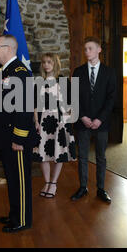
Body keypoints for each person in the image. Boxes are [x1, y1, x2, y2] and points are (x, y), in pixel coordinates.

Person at [0, 34, 36, 233]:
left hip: (16, 138)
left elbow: (24, 108)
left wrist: (19, 137)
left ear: (8, 49)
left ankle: (23, 219)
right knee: (11, 178)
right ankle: (14, 214)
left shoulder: (19, 72)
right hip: (7, 136)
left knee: (20, 180)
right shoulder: (7, 70)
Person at [71, 37, 116, 203]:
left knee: (100, 157)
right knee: (82, 156)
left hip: (101, 123)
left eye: (90, 48)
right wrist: (82, 116)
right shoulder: (78, 71)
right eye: (85, 49)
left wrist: (99, 119)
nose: (86, 51)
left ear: (99, 50)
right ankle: (83, 187)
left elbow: (111, 99)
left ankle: (101, 189)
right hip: (82, 122)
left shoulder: (109, 72)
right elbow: (73, 97)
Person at [33, 53, 76, 198]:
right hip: (43, 122)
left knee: (59, 152)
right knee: (42, 154)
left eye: (49, 62)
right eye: (44, 62)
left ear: (55, 64)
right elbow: (35, 105)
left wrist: (66, 120)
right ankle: (46, 182)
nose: (46, 65)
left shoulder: (63, 81)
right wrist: (36, 122)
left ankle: (54, 183)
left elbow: (71, 103)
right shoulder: (38, 81)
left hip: (59, 121)